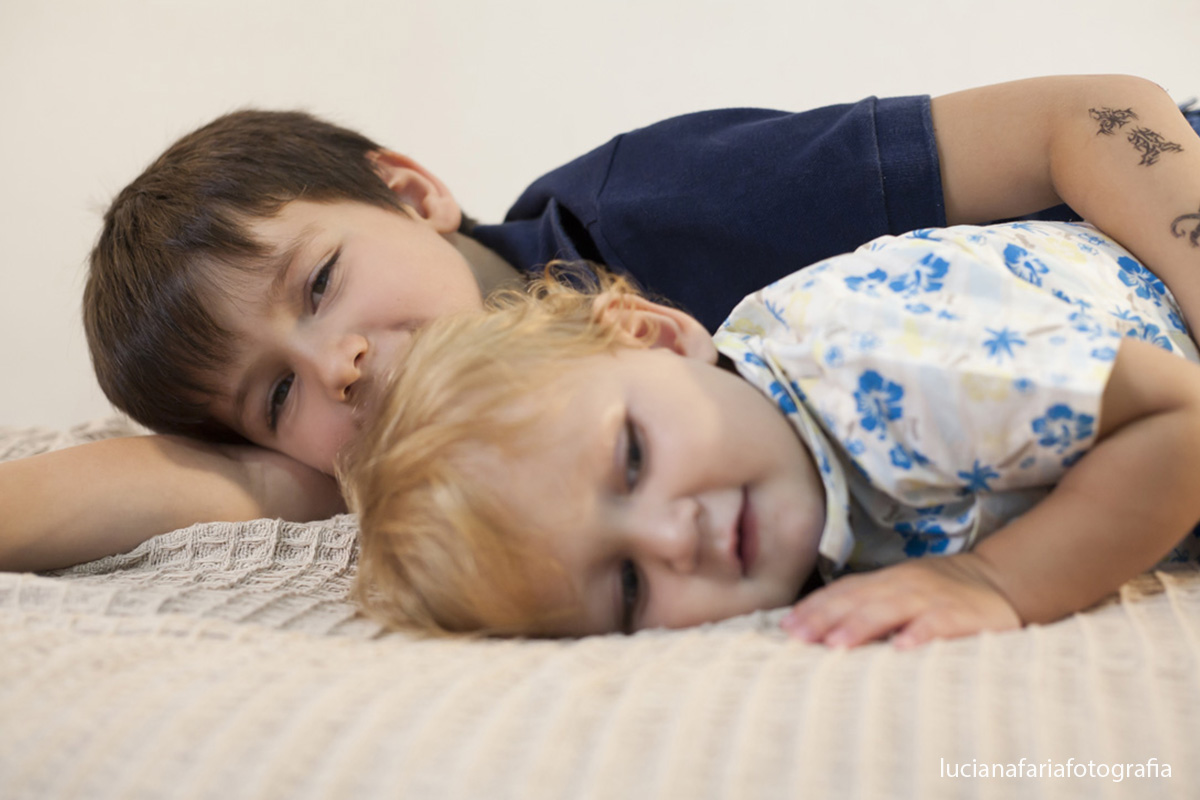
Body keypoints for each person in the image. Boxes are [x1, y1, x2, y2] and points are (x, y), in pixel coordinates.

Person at [2, 74, 1200, 573]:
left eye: (318, 286)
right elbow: (179, 484)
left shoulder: (638, 209)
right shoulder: (440, 471)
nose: (340, 366)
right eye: (277, 396)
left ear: (412, 194)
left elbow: (1098, 111)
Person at [343, 220, 1200, 646]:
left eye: (633, 459)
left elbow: (1183, 419)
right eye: (629, 588)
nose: (673, 536)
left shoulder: (873, 369)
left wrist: (993, 583)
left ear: (658, 336)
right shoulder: (788, 490)